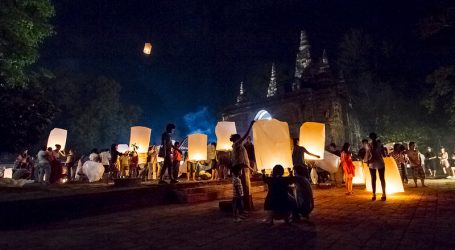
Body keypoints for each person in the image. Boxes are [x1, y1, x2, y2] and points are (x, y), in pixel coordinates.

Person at [230, 120, 255, 209]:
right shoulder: (236, 144)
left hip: (244, 168)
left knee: (246, 187)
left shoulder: (239, 146)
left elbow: (243, 159)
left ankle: (246, 206)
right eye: (239, 138)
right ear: (237, 139)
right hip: (241, 169)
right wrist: (250, 126)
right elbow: (245, 136)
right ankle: (243, 207)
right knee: (243, 188)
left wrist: (251, 169)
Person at [366, 133, 386, 201]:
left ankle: (374, 194)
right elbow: (384, 155)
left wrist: (367, 162)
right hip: (380, 162)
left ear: (370, 138)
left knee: (373, 179)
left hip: (372, 163)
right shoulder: (380, 145)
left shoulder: (368, 145)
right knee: (382, 178)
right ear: (376, 137)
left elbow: (367, 155)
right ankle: (384, 194)